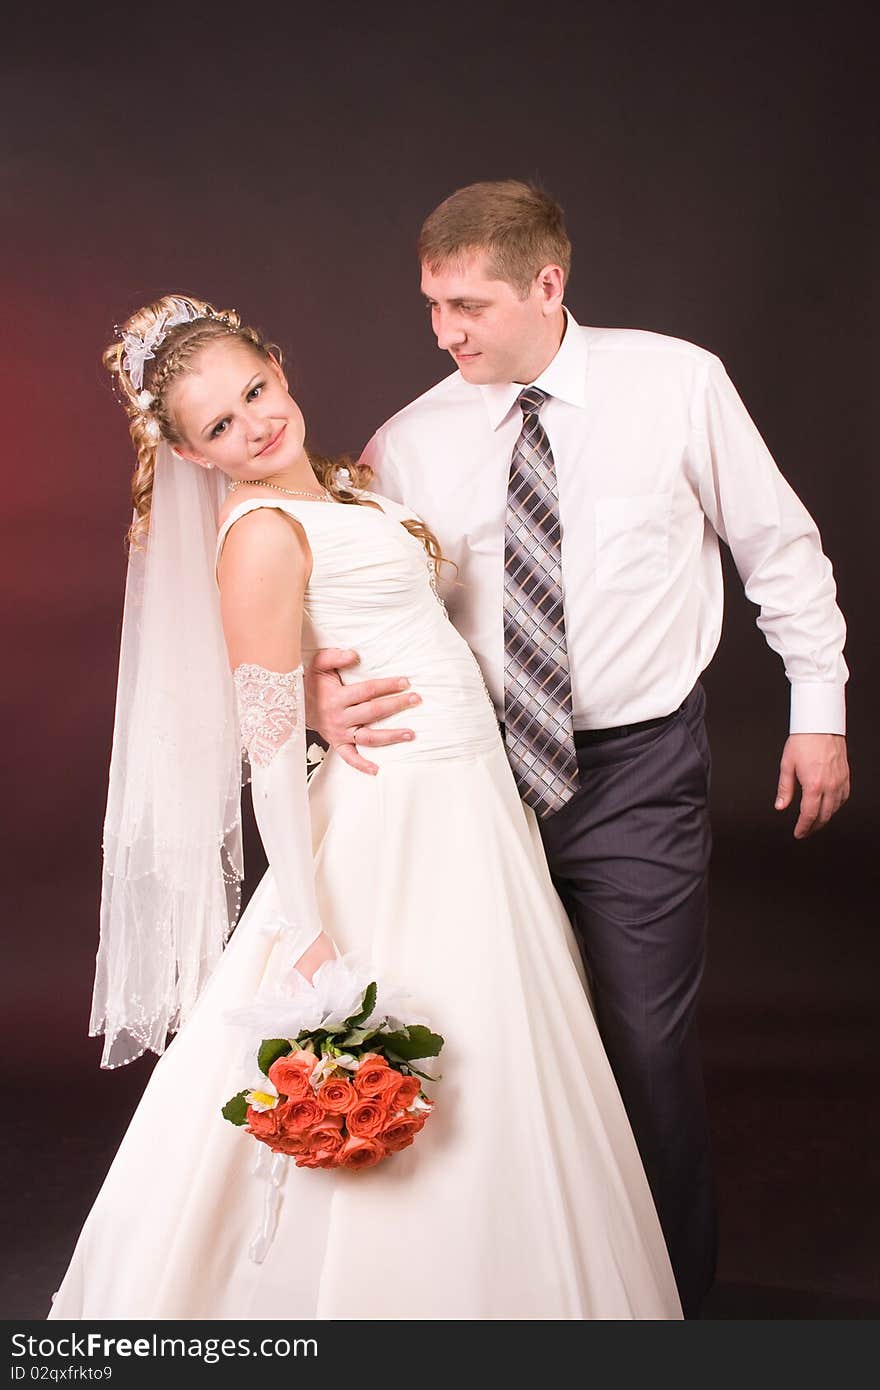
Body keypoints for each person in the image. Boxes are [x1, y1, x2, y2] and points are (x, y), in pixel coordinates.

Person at [47, 293, 682, 1320]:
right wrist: (302, 924)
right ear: (197, 455)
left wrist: (315, 685)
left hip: (470, 808)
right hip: (397, 815)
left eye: (254, 390)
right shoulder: (258, 533)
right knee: (425, 1048)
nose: (253, 424)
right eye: (220, 425)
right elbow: (262, 752)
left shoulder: (352, 496)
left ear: (278, 367)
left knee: (507, 1054)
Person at [307, 181, 851, 1317]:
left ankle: (667, 1307)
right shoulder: (409, 440)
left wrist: (818, 708)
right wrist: (319, 687)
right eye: (430, 305)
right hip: (473, 780)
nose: (444, 331)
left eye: (468, 304)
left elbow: (778, 548)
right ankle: (528, 1304)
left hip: (639, 767)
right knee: (493, 1044)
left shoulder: (677, 383)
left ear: (548, 286)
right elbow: (360, 600)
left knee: (643, 1044)